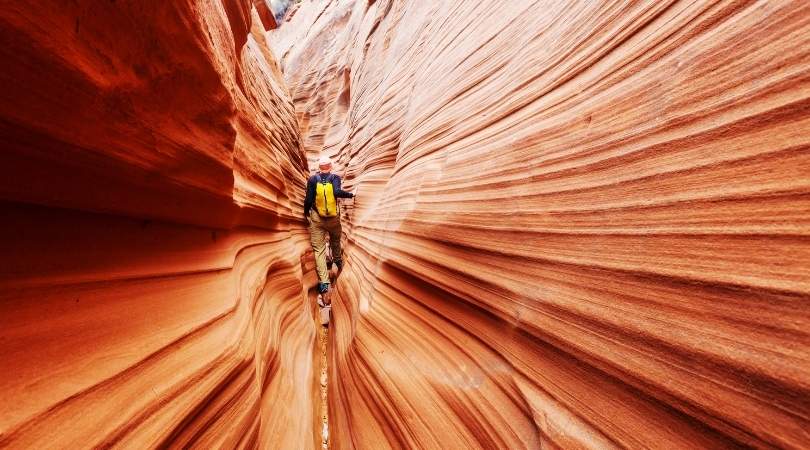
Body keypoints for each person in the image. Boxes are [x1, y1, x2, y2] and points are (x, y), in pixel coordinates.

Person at [304, 155, 355, 298]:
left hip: (317, 218)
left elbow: (308, 199)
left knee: (319, 250)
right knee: (335, 241)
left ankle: (325, 285)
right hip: (333, 219)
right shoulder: (335, 178)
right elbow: (337, 192)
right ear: (330, 167)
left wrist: (305, 213)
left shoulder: (313, 180)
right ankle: (337, 262)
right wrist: (351, 195)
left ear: (319, 168)